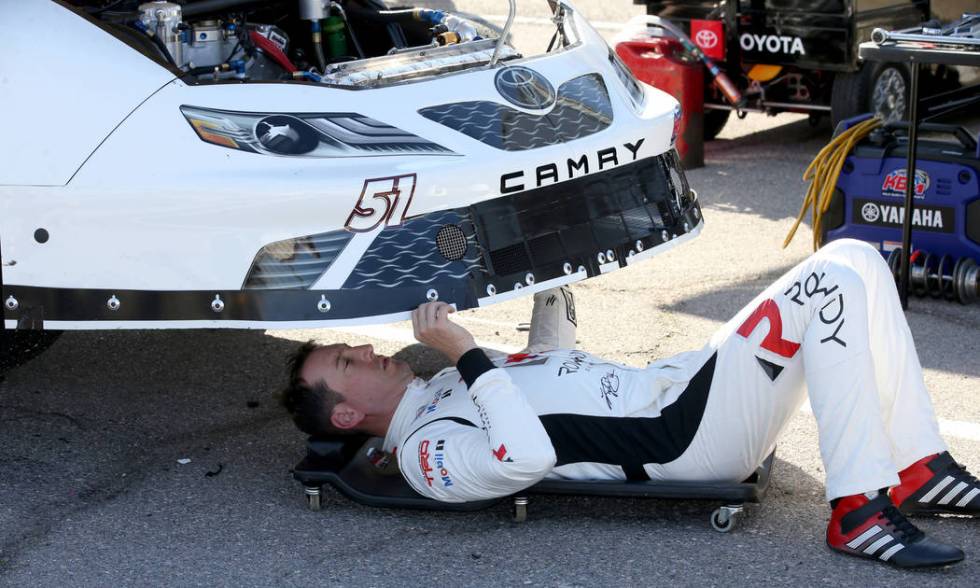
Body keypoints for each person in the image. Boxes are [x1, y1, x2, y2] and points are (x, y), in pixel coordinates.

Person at [281, 239, 978, 569]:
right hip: (680, 436)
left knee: (855, 257)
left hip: (678, 385)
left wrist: (546, 283)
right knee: (826, 283)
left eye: (354, 348)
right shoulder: (427, 453)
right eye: (349, 363)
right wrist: (465, 350)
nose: (365, 351)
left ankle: (917, 465)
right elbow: (524, 455)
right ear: (346, 415)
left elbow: (548, 367)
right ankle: (857, 512)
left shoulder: (437, 386)